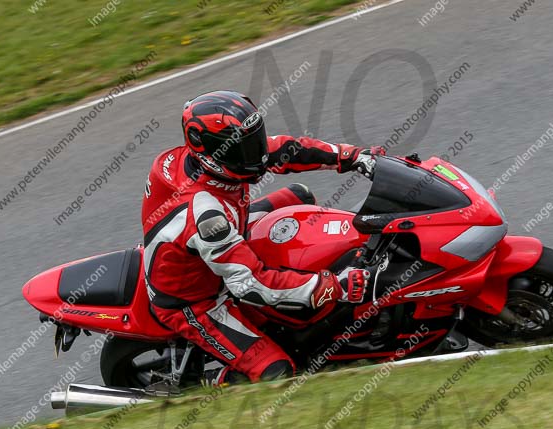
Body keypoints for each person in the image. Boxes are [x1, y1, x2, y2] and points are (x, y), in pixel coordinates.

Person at [142, 90, 384, 385]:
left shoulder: (206, 159)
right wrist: (334, 285)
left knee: (300, 196)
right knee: (278, 372)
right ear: (211, 151)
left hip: (225, 236)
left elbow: (285, 150)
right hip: (196, 299)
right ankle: (209, 384)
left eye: (254, 140)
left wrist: (351, 157)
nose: (257, 153)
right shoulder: (206, 215)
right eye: (244, 148)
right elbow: (250, 284)